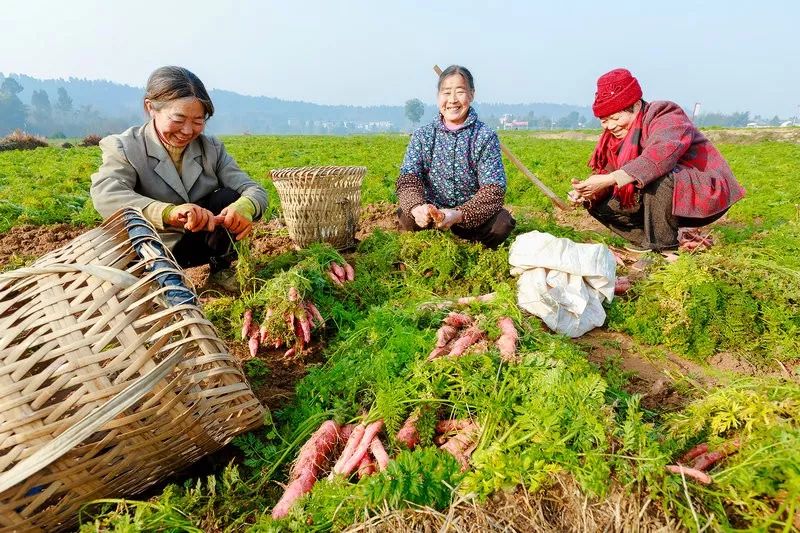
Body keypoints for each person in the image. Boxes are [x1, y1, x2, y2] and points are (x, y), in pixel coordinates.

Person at [90, 66, 267, 286]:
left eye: (198, 121)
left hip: (195, 243)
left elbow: (254, 189)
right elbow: (106, 194)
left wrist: (246, 206)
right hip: (147, 249)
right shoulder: (125, 147)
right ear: (151, 108)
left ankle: (222, 267)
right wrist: (168, 213)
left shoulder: (211, 148)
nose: (187, 130)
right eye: (178, 119)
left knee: (229, 197)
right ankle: (148, 281)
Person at [570, 68, 745, 252]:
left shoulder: (665, 114)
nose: (610, 126)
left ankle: (663, 249)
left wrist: (610, 179)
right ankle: (650, 243)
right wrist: (589, 192)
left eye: (615, 118)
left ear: (636, 105)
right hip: (666, 198)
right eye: (604, 121)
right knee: (598, 203)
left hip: (702, 190)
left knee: (658, 176)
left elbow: (660, 156)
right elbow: (607, 172)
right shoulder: (615, 136)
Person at [396, 64, 515, 249]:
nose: (452, 100)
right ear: (438, 97)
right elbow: (408, 180)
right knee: (407, 217)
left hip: (470, 218)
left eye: (460, 92)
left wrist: (457, 214)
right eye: (446, 93)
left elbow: (494, 190)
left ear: (471, 94)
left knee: (502, 223)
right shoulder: (423, 135)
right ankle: (429, 240)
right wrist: (417, 208)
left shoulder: (484, 136)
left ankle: (473, 247)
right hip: (431, 217)